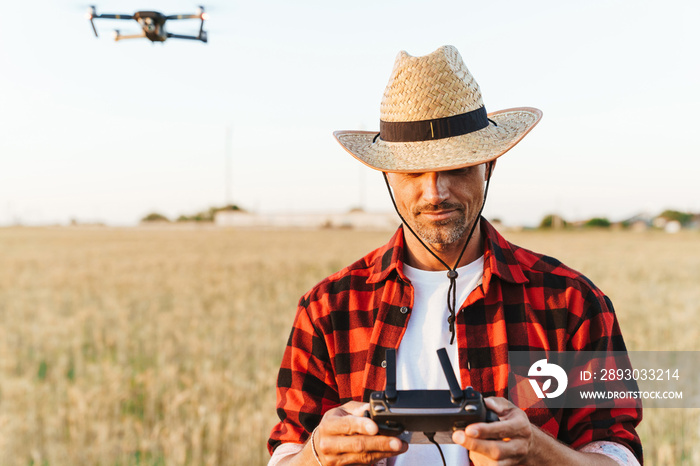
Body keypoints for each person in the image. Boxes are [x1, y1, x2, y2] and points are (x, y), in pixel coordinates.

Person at [267, 45, 642, 466]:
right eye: (413, 173)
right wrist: (317, 455)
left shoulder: (569, 302)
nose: (435, 193)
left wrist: (538, 451)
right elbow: (288, 452)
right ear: (387, 175)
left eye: (457, 168)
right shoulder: (328, 309)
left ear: (490, 165)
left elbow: (616, 453)